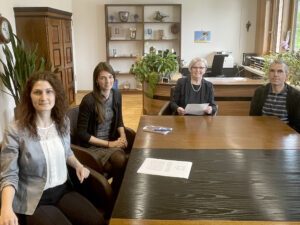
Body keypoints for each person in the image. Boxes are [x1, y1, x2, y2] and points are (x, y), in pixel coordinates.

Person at [0, 72, 104, 225]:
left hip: (63, 190)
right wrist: (6, 208)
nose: (43, 97)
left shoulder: (63, 122)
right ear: (29, 97)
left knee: (97, 221)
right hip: (35, 199)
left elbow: (67, 152)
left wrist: (78, 165)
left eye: (49, 91)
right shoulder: (16, 130)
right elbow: (9, 174)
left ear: (56, 95)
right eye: (37, 92)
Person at [77, 62, 127, 196]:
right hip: (93, 146)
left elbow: (119, 120)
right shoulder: (88, 101)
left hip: (110, 141)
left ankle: (115, 194)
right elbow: (82, 134)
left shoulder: (117, 95)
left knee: (122, 161)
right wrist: (110, 144)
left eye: (110, 77)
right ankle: (111, 196)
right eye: (103, 78)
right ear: (96, 81)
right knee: (120, 162)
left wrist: (123, 136)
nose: (107, 81)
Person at [249, 59, 300, 132]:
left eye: (280, 71)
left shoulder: (296, 96)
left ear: (287, 76)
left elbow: (298, 125)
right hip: (262, 133)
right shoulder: (259, 92)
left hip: (285, 135)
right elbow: (253, 117)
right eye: (272, 71)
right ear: (268, 74)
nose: (275, 74)